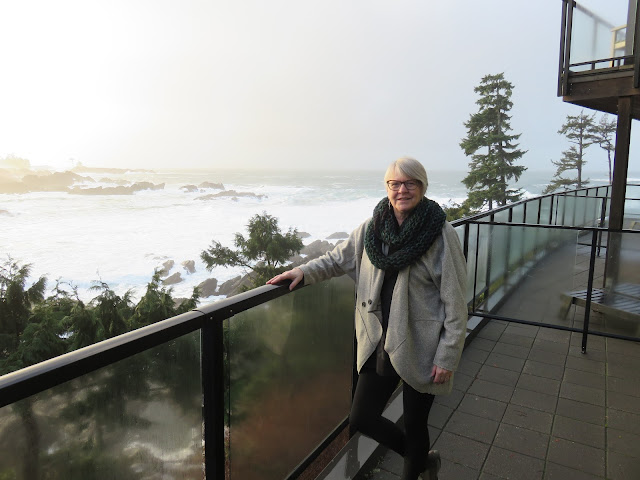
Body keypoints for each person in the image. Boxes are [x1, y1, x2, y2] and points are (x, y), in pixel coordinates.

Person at [267, 157, 468, 480]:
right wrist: (302, 272)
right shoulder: (373, 228)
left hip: (424, 346)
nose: (402, 190)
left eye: (410, 183)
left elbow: (456, 301)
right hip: (379, 341)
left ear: (422, 186)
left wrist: (447, 356)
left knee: (415, 424)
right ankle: (422, 460)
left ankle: (414, 466)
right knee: (361, 418)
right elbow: (337, 258)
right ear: (387, 188)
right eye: (395, 184)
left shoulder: (441, 235)